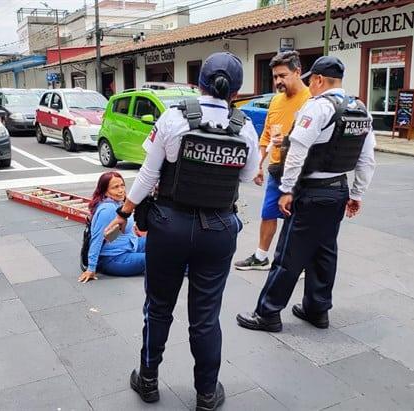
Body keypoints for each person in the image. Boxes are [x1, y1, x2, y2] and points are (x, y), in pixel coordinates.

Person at [105, 52, 260, 410]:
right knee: (205, 315)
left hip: (169, 226)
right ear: (234, 91)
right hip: (219, 230)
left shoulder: (174, 117)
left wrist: (125, 211)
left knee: (158, 308)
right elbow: (249, 176)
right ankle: (206, 394)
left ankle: (147, 381)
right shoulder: (245, 127)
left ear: (199, 83)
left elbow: (148, 174)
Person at [236, 56, 375, 332]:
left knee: (289, 255)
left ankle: (268, 313)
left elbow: (297, 150)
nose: (310, 85)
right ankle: (317, 309)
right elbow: (367, 158)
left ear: (320, 80)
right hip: (338, 190)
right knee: (325, 253)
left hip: (311, 192)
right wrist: (357, 194)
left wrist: (287, 190)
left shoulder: (319, 108)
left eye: (312, 80)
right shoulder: (361, 110)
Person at [234, 50, 312, 271]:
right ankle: (261, 257)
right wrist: (258, 164)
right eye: (275, 76)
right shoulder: (276, 101)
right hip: (277, 168)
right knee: (268, 213)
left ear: (298, 72)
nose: (278, 81)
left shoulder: (310, 101)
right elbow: (267, 135)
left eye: (283, 75)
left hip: (300, 170)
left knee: (296, 219)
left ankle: (300, 264)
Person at [78, 171, 146, 283]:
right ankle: (184, 267)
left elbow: (117, 232)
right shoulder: (107, 209)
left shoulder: (119, 203)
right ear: (105, 191)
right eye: (115, 187)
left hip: (130, 244)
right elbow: (97, 239)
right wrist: (91, 268)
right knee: (154, 259)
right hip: (114, 258)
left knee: (158, 243)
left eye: (122, 185)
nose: (121, 190)